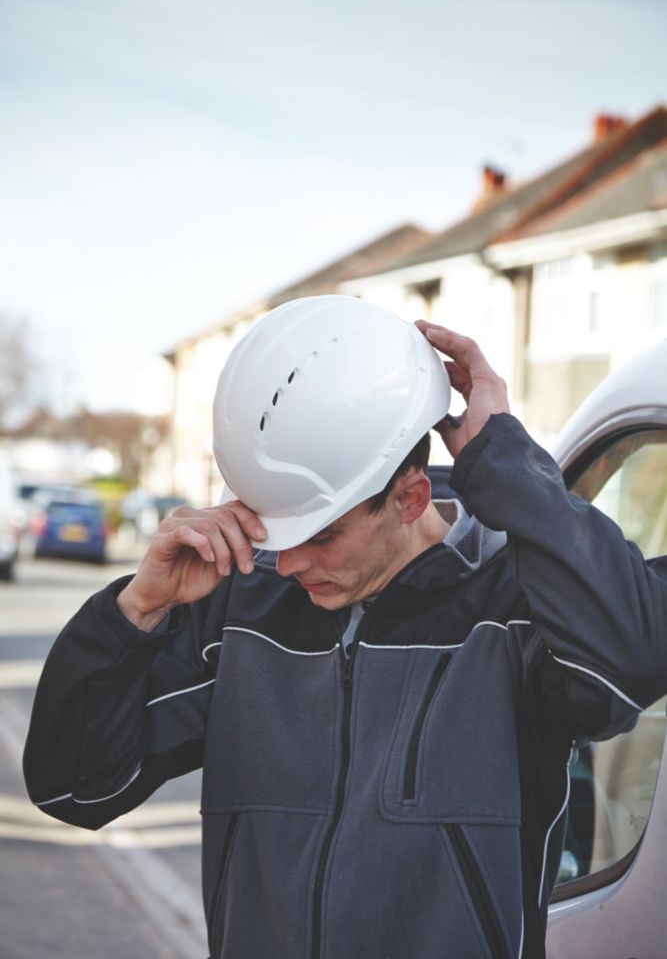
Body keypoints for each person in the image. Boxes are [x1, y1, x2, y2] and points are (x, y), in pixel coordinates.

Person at [24, 296, 667, 959]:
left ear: (410, 497)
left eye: (322, 535)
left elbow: (628, 665)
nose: (290, 561)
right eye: (277, 530)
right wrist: (136, 610)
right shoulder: (239, 605)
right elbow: (74, 787)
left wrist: (505, 463)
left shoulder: (514, 608)